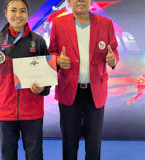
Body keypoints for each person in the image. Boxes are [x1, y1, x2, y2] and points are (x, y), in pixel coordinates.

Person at [0, 0, 50, 160]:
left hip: (31, 109)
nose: (18, 15)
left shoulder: (38, 42)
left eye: (22, 11)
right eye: (13, 10)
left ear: (28, 14)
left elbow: (46, 76)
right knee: (8, 155)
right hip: (5, 109)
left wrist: (43, 88)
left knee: (35, 154)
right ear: (6, 13)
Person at [49, 0, 119, 159]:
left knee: (94, 142)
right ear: (69, 2)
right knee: (69, 141)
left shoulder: (105, 23)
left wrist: (113, 59)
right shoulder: (58, 24)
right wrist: (58, 60)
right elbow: (52, 52)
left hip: (96, 91)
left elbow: (113, 50)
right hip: (68, 90)